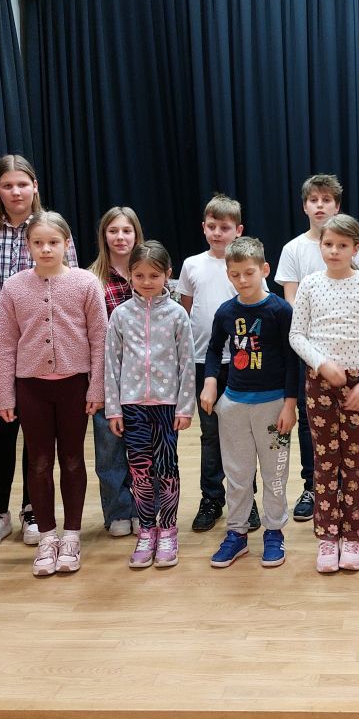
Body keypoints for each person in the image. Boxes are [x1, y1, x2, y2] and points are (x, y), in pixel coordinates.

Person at [0, 154, 79, 553]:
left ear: (35, 187)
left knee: (37, 429)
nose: (16, 192)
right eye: (8, 185)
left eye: (23, 184)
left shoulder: (50, 227)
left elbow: (71, 283)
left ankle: (33, 508)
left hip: (42, 330)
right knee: (1, 424)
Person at [0, 212, 107, 577]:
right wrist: (4, 395)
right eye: (38, 243)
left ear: (66, 244)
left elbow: (100, 339)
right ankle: (46, 536)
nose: (46, 249)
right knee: (39, 462)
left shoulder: (86, 283)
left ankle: (71, 535)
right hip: (32, 388)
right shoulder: (14, 287)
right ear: (28, 246)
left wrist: (97, 386)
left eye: (53, 242)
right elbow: (4, 345)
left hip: (74, 386)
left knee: (72, 459)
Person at [290, 215, 359, 573]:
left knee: (352, 460)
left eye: (342, 245)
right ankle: (327, 535)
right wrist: (321, 363)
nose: (334, 251)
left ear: (355, 248)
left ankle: (352, 535)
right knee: (324, 460)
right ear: (320, 245)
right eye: (328, 244)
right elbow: (296, 335)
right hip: (320, 382)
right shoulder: (310, 284)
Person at [202, 237, 298, 569]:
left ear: (264, 270)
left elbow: (292, 360)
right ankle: (237, 533)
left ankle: (274, 532)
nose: (242, 280)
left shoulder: (280, 311)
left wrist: (290, 404)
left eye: (249, 273)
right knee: (238, 474)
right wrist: (211, 381)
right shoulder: (226, 311)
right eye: (235, 274)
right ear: (228, 274)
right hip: (234, 406)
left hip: (274, 406)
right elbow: (213, 349)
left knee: (275, 473)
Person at [274, 174, 359, 522]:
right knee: (311, 422)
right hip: (309, 349)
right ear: (305, 206)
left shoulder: (352, 247)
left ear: (337, 206)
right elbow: (292, 300)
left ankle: (343, 485)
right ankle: (313, 485)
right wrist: (315, 351)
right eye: (314, 199)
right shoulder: (293, 249)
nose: (320, 205)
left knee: (347, 422)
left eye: (327, 199)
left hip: (349, 351)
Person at [104, 241, 195, 569]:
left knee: (167, 470)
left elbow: (187, 362)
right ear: (130, 275)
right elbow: (111, 363)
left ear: (168, 275)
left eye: (154, 275)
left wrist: (185, 407)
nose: (146, 281)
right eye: (139, 275)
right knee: (140, 471)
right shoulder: (120, 315)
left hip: (167, 406)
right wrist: (114, 408)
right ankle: (146, 530)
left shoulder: (177, 315)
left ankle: (168, 530)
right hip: (132, 406)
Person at [178, 194, 263, 533]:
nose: (217, 233)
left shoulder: (245, 266)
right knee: (211, 434)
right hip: (204, 361)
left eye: (224, 227)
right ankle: (211, 498)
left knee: (243, 435)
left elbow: (257, 307)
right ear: (203, 227)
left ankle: (246, 499)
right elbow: (185, 310)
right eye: (211, 226)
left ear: (238, 230)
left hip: (242, 362)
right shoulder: (192, 265)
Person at [88, 206, 144, 537]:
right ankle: (118, 511)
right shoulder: (91, 279)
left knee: (143, 446)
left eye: (126, 231)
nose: (120, 237)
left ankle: (144, 508)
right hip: (107, 376)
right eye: (113, 231)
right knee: (109, 448)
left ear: (136, 235)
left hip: (144, 377)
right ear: (104, 236)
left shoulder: (148, 273)